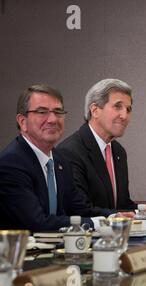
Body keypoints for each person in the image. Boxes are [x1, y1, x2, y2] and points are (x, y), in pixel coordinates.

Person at [0, 84, 127, 232]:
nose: (53, 119)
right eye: (42, 112)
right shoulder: (11, 164)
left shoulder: (60, 160)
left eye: (58, 112)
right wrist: (97, 224)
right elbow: (37, 223)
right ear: (23, 122)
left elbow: (78, 209)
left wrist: (113, 216)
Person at [57, 79, 146, 213]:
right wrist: (138, 214)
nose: (124, 116)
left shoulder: (118, 151)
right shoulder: (70, 151)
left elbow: (122, 206)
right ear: (95, 110)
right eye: (118, 106)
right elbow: (81, 210)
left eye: (128, 109)